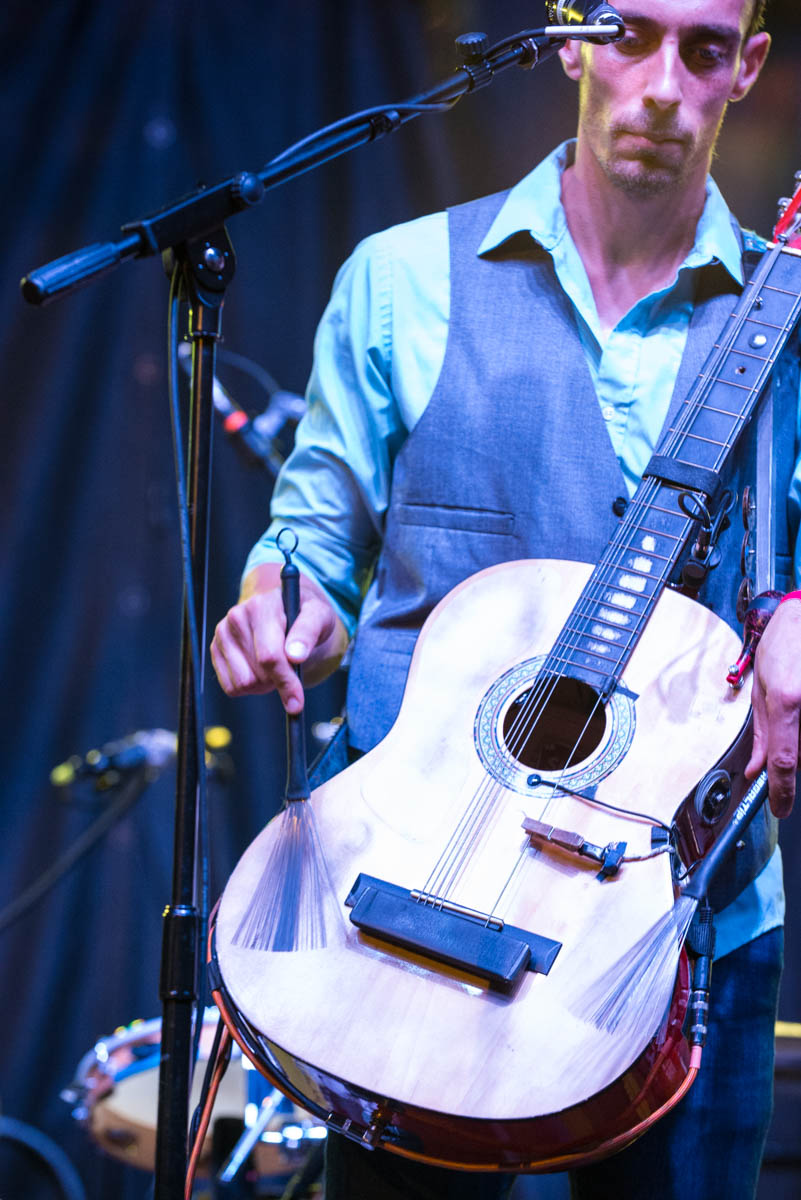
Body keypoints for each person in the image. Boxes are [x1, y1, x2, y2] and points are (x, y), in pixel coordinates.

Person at [212, 1, 801, 1196]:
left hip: (679, 922)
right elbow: (311, 540)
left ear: (747, 67)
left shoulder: (786, 317)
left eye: (702, 49)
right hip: (411, 904)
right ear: (570, 35)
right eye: (630, 34)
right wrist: (283, 600)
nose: (661, 84)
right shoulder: (402, 279)